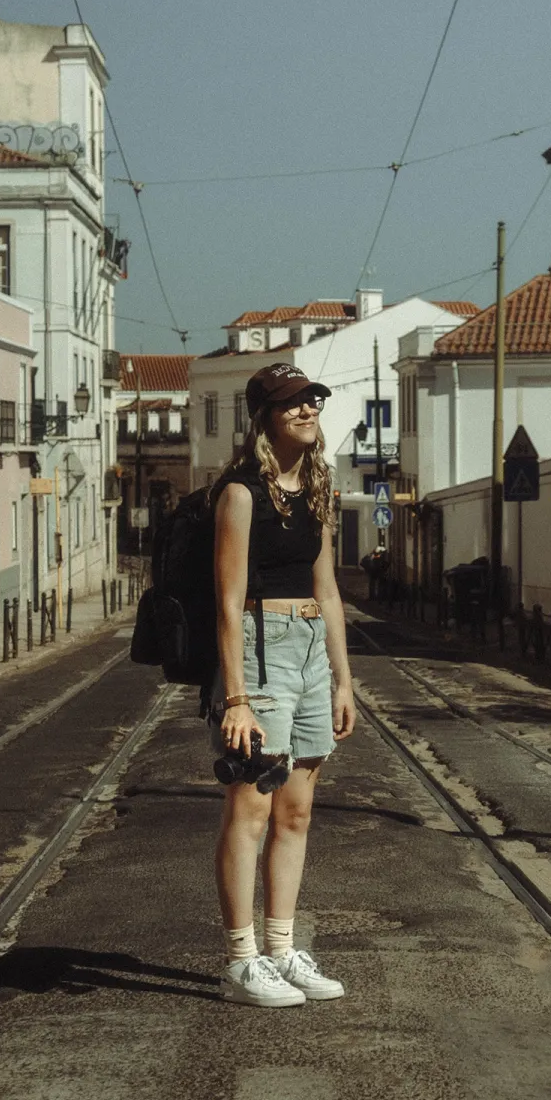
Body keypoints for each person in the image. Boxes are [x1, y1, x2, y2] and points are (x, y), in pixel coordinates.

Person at [210, 361, 355, 1007]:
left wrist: (344, 680)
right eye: (292, 402)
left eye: (312, 399)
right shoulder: (241, 493)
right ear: (266, 417)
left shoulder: (318, 486)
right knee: (253, 806)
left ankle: (281, 948)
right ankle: (242, 960)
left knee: (296, 810)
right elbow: (228, 600)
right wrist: (236, 696)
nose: (306, 409)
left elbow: (327, 590)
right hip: (262, 652)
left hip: (310, 656)